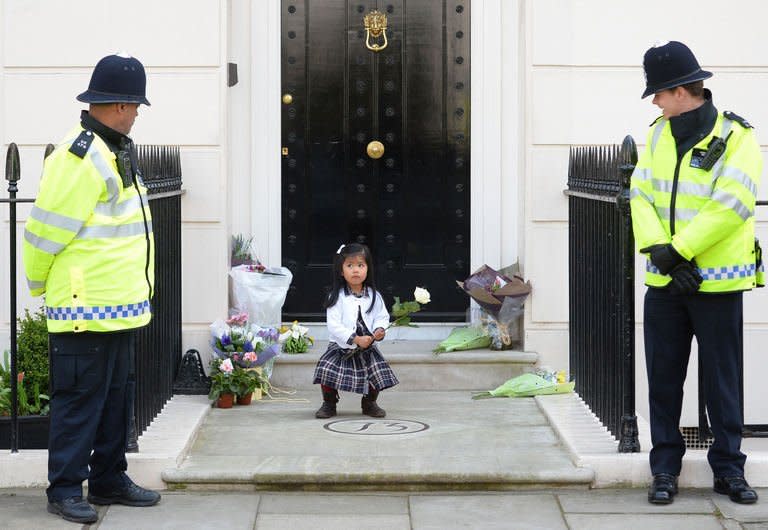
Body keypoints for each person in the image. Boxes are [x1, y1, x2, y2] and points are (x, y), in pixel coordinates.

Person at [22, 53, 161, 524]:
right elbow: (44, 234)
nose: (138, 113)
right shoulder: (78, 156)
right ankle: (64, 488)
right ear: (120, 104)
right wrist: (41, 285)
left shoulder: (113, 150)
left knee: (115, 401)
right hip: (84, 309)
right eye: (136, 105)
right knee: (79, 402)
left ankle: (108, 478)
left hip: (119, 308)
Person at [630, 41, 763, 505]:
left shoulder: (738, 138)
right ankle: (664, 468)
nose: (654, 102)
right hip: (666, 281)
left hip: (718, 281)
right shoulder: (656, 134)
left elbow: (732, 204)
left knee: (722, 381)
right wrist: (663, 256)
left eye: (659, 93)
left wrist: (680, 252)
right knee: (663, 380)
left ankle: (729, 470)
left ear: (681, 90)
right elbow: (639, 194)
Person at [312, 243, 399, 419]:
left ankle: (369, 403)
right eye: (350, 266)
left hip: (367, 345)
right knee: (327, 369)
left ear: (368, 269)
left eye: (361, 265)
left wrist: (379, 330)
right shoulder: (336, 297)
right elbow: (334, 325)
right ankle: (329, 403)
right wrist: (354, 339)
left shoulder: (374, 295)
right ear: (341, 271)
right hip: (342, 345)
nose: (356, 270)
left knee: (375, 373)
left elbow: (382, 317)